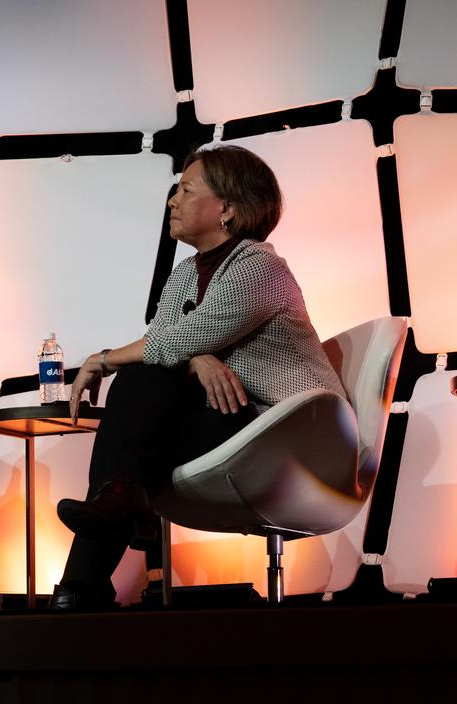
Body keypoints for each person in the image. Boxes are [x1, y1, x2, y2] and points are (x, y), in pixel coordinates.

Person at [50, 145, 347, 610]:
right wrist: (197, 361)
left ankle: (95, 562)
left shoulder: (260, 266)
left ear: (227, 208)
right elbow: (174, 344)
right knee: (141, 399)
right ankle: (89, 572)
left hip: (287, 431)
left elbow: (182, 338)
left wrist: (104, 358)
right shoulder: (184, 274)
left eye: (186, 190)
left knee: (135, 387)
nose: (172, 200)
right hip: (230, 421)